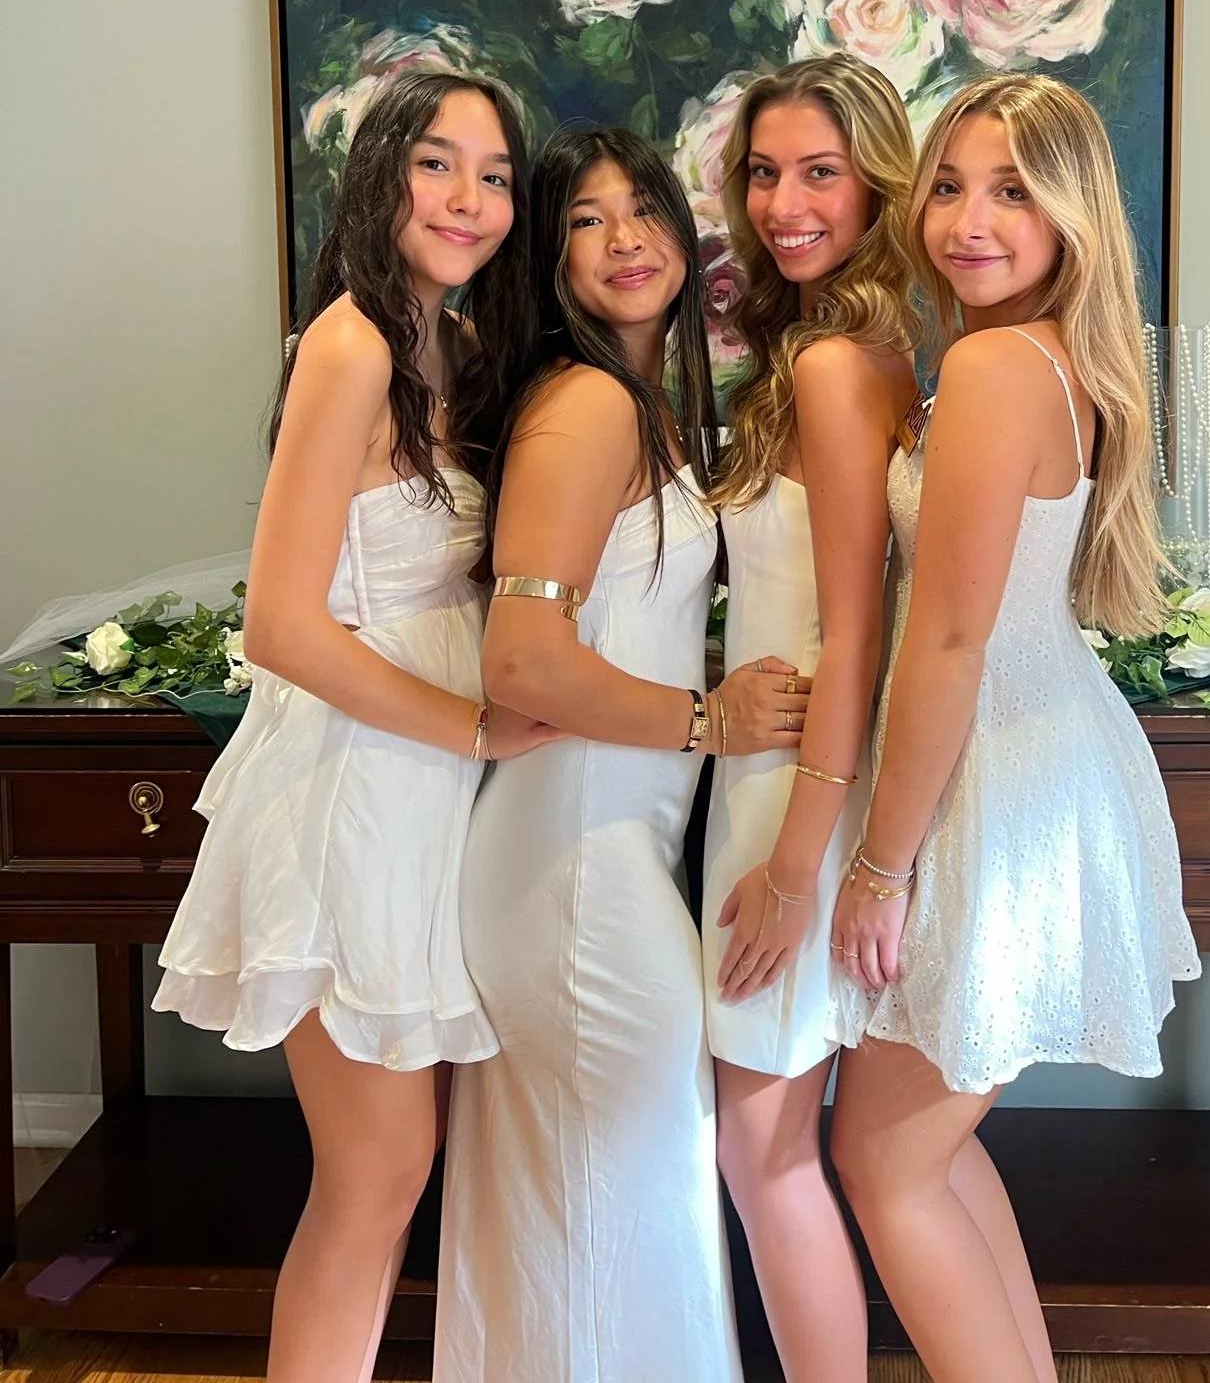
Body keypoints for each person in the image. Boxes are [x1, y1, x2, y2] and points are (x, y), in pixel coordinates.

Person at [154, 71, 545, 1383]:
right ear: (383, 175)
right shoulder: (350, 344)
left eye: (494, 175)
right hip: (355, 791)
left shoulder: (458, 346)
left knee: (400, 1173)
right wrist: (476, 730)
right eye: (441, 165)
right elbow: (281, 624)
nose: (470, 199)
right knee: (377, 1175)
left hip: (424, 798)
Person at [829, 72, 1201, 1383]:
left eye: (1011, 191)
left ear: (1071, 215)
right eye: (948, 186)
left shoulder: (995, 365)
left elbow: (946, 640)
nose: (968, 220)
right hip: (1039, 764)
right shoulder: (1049, 360)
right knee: (925, 1147)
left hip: (1005, 778)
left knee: (882, 1158)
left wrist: (879, 865)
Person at [434, 126, 807, 1383]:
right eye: (585, 220)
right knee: (628, 1198)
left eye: (642, 207)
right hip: (574, 877)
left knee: (586, 1211)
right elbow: (522, 660)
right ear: (549, 257)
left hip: (595, 854)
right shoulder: (588, 404)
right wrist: (711, 721)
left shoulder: (640, 407)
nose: (626, 238)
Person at [702, 57, 918, 1383]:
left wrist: (795, 866)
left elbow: (857, 631)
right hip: (785, 777)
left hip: (801, 790)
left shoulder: (839, 367)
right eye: (764, 172)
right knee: (772, 1149)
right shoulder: (848, 348)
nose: (783, 201)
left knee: (766, 1150)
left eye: (818, 172)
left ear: (875, 185)